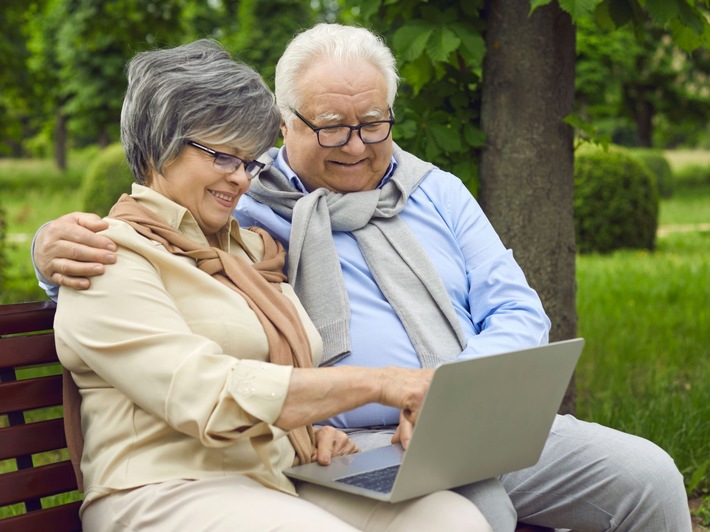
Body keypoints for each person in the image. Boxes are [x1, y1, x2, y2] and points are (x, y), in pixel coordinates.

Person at [34, 25, 692, 532]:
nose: (355, 144)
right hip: (332, 446)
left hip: (459, 416)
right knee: (477, 510)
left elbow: (518, 311)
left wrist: (446, 395)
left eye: (372, 122)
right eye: (330, 126)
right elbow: (137, 257)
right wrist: (50, 254)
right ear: (285, 127)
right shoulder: (249, 205)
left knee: (649, 476)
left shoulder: (431, 193)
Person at [48, 39, 493, 532]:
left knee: (451, 517)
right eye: (223, 157)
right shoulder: (107, 257)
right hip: (161, 492)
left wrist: (309, 430)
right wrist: (383, 383)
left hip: (274, 477)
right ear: (160, 147)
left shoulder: (248, 253)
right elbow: (206, 394)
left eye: (249, 162)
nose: (241, 179)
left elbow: (273, 366)